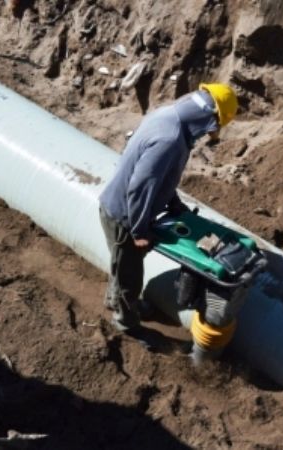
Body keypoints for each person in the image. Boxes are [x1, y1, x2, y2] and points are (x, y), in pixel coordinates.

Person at [98, 82, 238, 347]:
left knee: (124, 264)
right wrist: (139, 231)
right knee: (130, 274)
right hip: (124, 216)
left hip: (126, 209)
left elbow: (160, 176)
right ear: (209, 118)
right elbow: (140, 187)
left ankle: (115, 301)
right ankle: (126, 322)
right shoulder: (170, 139)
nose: (206, 135)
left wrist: (173, 202)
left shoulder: (169, 117)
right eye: (211, 128)